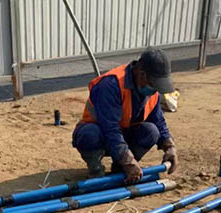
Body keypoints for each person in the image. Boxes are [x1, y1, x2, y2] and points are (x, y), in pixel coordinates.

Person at [72, 47, 178, 182]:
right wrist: (128, 161)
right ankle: (96, 172)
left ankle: (119, 169)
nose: (155, 90)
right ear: (142, 74)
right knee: (90, 133)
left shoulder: (151, 91)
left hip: (123, 137)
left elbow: (158, 121)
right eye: (153, 84)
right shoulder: (111, 85)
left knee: (151, 131)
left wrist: (170, 146)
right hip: (101, 137)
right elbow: (110, 129)